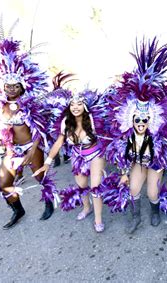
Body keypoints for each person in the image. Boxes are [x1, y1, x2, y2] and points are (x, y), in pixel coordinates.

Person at [0, 26, 56, 229]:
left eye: (16, 85)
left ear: (22, 86)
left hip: (32, 145)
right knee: (4, 183)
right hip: (12, 150)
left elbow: (40, 129)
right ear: (3, 86)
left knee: (40, 176)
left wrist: (32, 150)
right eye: (8, 85)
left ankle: (48, 203)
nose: (12, 88)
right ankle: (17, 210)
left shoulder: (31, 103)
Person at [103, 38, 167, 233]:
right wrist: (122, 174)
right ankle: (136, 217)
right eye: (137, 120)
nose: (140, 124)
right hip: (138, 162)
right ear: (131, 119)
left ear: (151, 120)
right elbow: (121, 154)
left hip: (155, 163)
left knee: (152, 193)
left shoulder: (158, 135)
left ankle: (155, 210)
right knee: (134, 190)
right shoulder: (126, 136)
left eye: (144, 120)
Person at [34, 87, 108, 232]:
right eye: (72, 104)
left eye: (79, 103)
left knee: (95, 188)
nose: (75, 107)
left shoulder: (93, 120)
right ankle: (87, 208)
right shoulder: (66, 122)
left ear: (85, 106)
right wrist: (47, 162)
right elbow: (58, 143)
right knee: (81, 186)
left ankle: (98, 219)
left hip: (95, 155)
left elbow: (108, 137)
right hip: (77, 156)